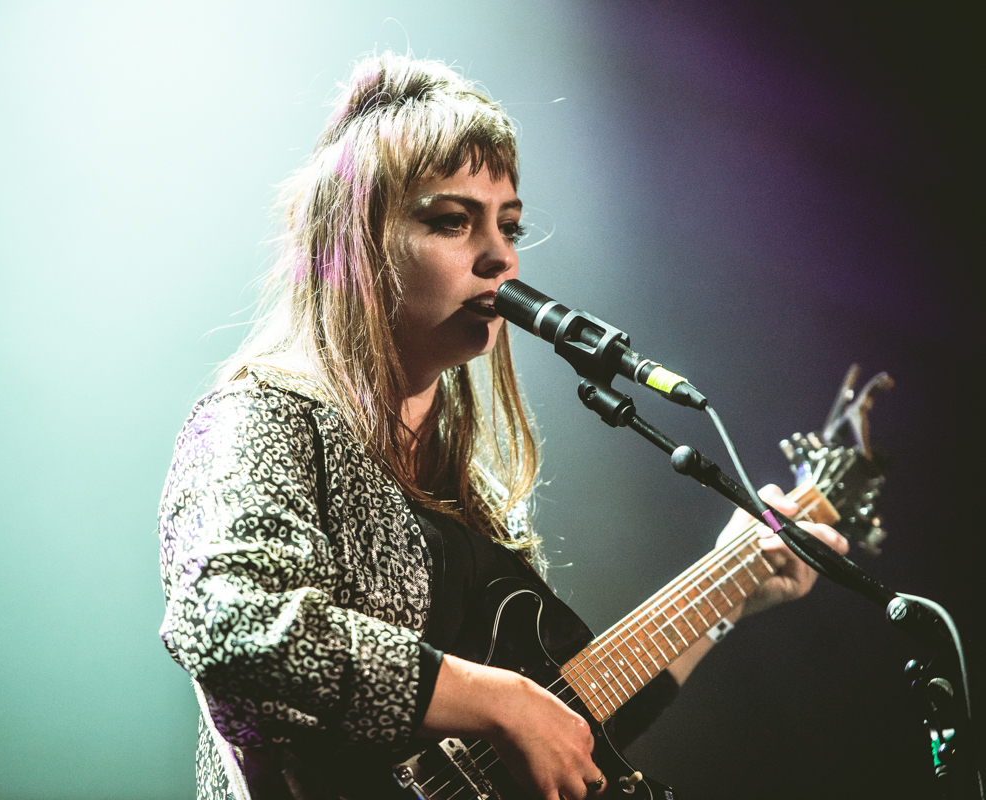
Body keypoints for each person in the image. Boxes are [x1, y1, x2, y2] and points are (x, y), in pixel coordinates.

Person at [158, 52, 848, 800]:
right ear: (350, 245)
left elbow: (564, 722)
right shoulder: (262, 416)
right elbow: (228, 621)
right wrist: (500, 700)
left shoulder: (472, 488)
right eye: (452, 221)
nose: (500, 256)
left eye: (509, 225)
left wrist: (729, 594)